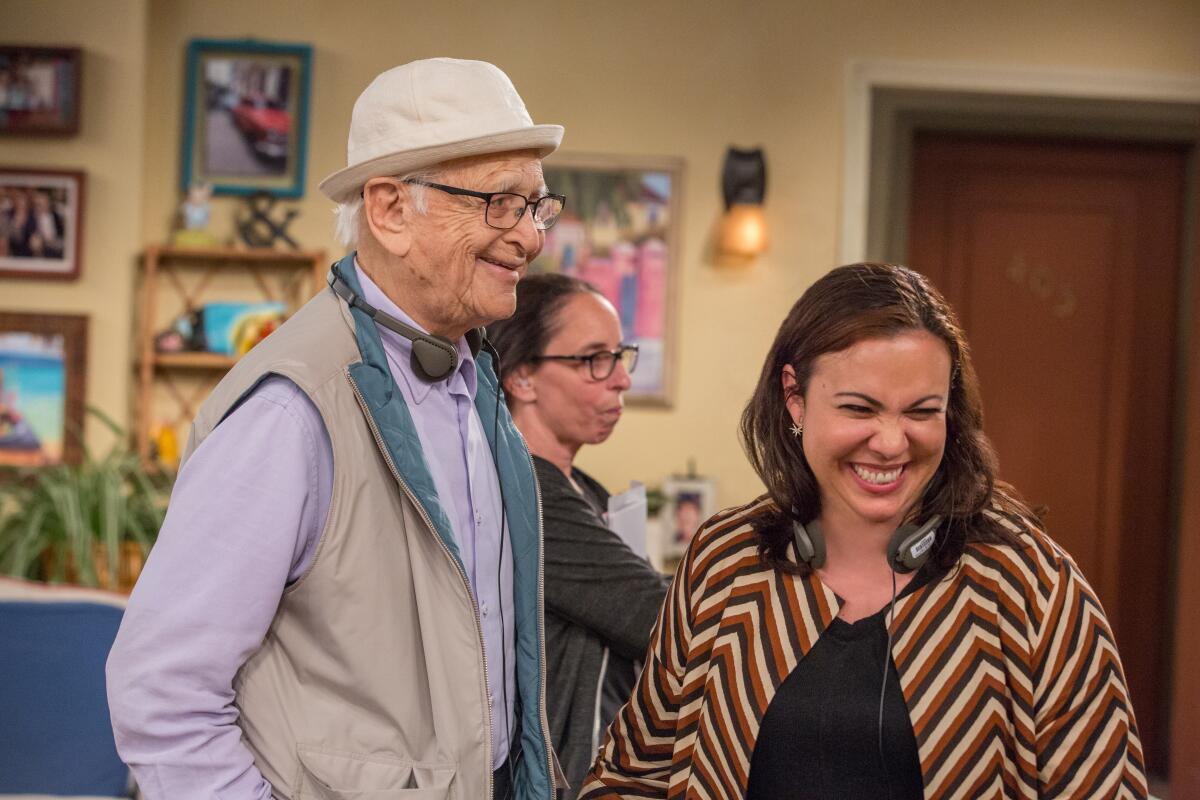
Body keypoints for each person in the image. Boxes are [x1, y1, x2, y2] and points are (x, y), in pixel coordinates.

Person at [106, 58, 569, 800]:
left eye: (538, 206)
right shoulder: (290, 412)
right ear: (388, 211)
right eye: (500, 204)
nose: (531, 237)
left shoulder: (474, 383)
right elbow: (161, 690)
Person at [580, 262, 1146, 799]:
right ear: (794, 396)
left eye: (922, 411)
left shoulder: (1030, 582)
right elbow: (634, 775)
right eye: (860, 408)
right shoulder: (725, 559)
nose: (893, 442)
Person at [487, 273, 668, 796]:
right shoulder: (525, 489)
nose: (621, 380)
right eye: (593, 359)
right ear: (521, 378)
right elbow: (656, 616)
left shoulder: (578, 485)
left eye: (619, 354)